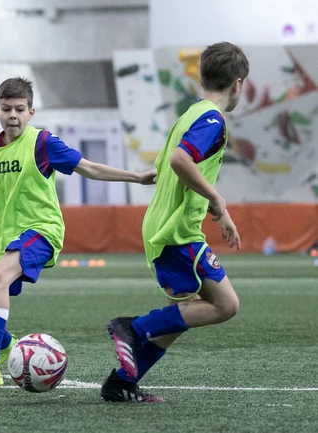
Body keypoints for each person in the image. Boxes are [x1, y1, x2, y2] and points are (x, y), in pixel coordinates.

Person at [0, 77, 157, 387]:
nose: (13, 115)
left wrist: (136, 177)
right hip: (2, 240)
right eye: (6, 109)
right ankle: (8, 347)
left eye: (19, 109)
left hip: (41, 231)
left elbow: (88, 167)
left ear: (31, 113)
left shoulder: (43, 143)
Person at [103, 42, 249, 403]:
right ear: (238, 84)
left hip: (162, 227)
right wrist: (217, 199)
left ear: (202, 78)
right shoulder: (213, 120)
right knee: (225, 305)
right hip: (177, 232)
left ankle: (121, 383)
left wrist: (219, 210)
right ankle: (132, 327)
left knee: (180, 314)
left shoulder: (190, 114)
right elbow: (181, 161)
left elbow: (178, 167)